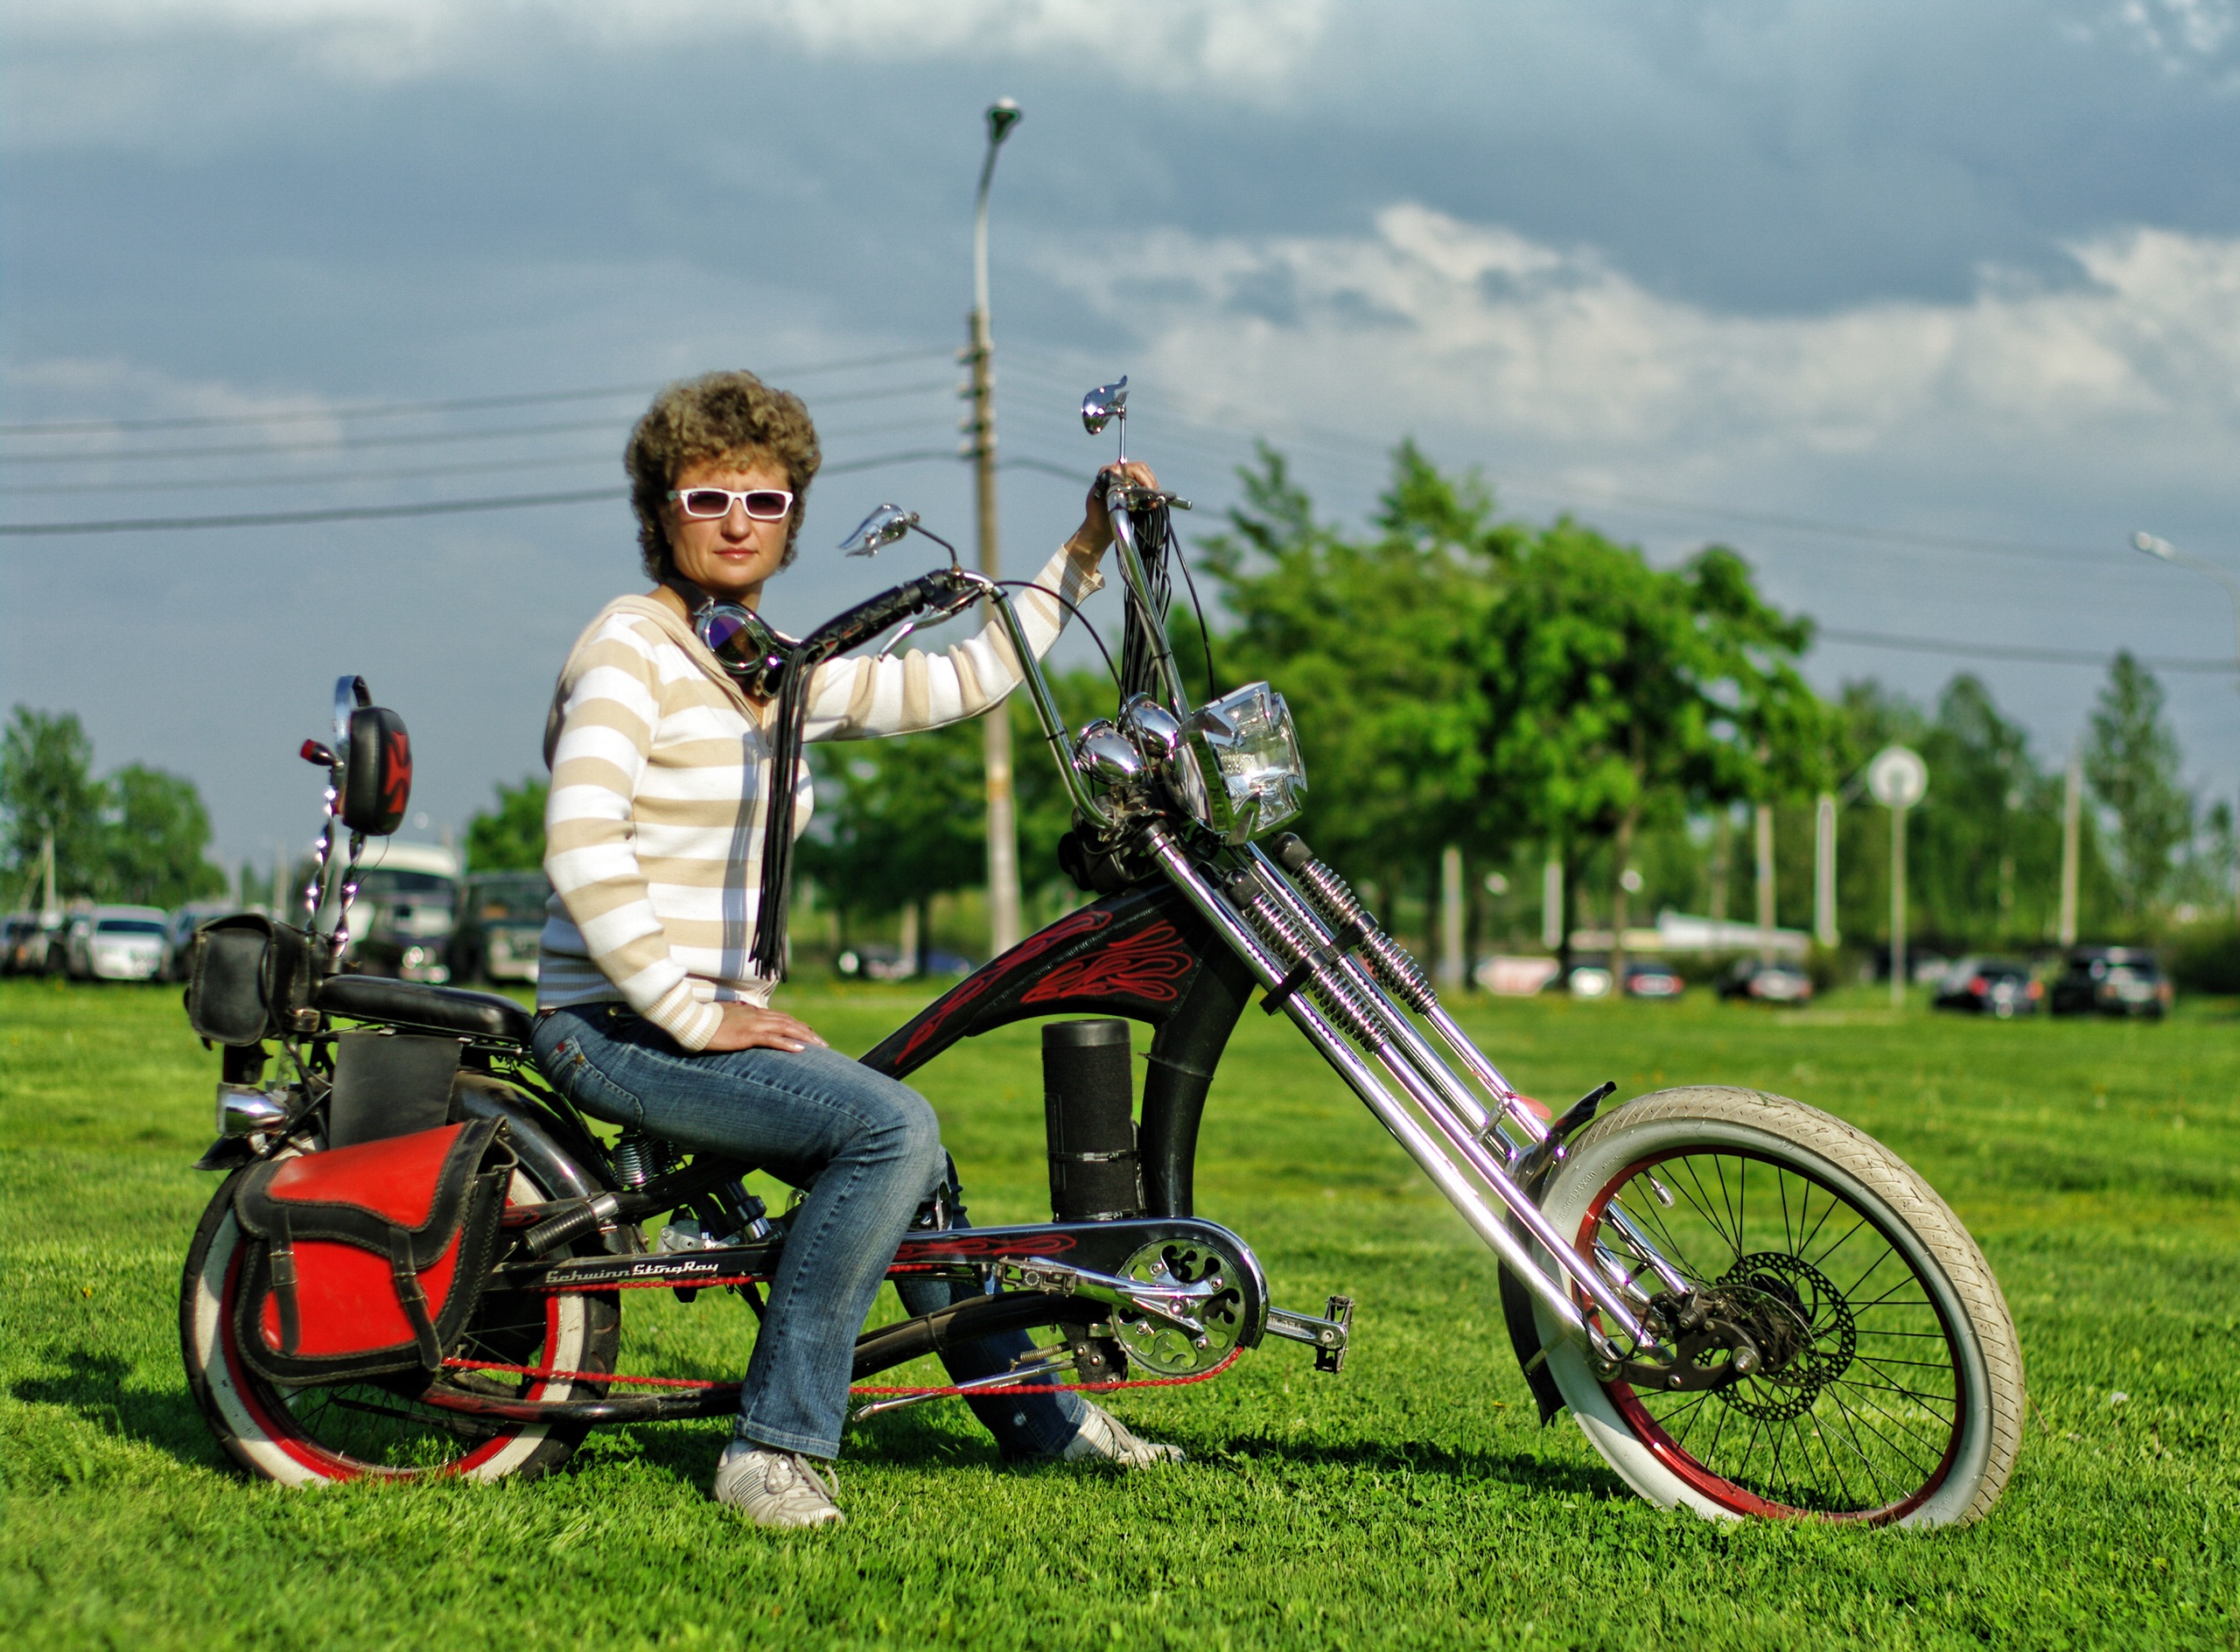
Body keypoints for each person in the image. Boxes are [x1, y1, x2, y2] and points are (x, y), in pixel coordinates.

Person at [529, 370, 1176, 1530]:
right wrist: (694, 1013)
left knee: (920, 1167)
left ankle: (1042, 1421)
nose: (738, 522)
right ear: (661, 511)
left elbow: (959, 680)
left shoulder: (763, 666)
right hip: (616, 1026)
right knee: (891, 1132)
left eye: (765, 501)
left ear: (792, 518)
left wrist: (1081, 553)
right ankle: (772, 1448)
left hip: (687, 1021)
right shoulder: (630, 651)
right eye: (708, 497)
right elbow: (582, 843)